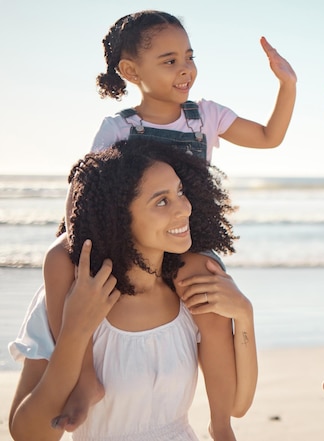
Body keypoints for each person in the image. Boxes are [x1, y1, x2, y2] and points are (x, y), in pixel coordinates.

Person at [46, 9, 295, 429]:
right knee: (56, 258)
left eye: (189, 57)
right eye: (170, 61)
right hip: (126, 237)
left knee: (210, 293)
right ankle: (84, 378)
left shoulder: (207, 116)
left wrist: (287, 84)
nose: (186, 70)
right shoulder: (118, 127)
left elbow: (270, 137)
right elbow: (84, 192)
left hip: (185, 238)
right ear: (131, 70)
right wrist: (74, 245)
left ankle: (220, 422)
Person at [9, 139, 254, 441]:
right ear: (120, 218)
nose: (184, 208)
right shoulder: (71, 299)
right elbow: (27, 435)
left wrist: (244, 314)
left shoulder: (192, 292)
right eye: (162, 201)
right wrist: (74, 331)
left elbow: (235, 407)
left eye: (180, 192)